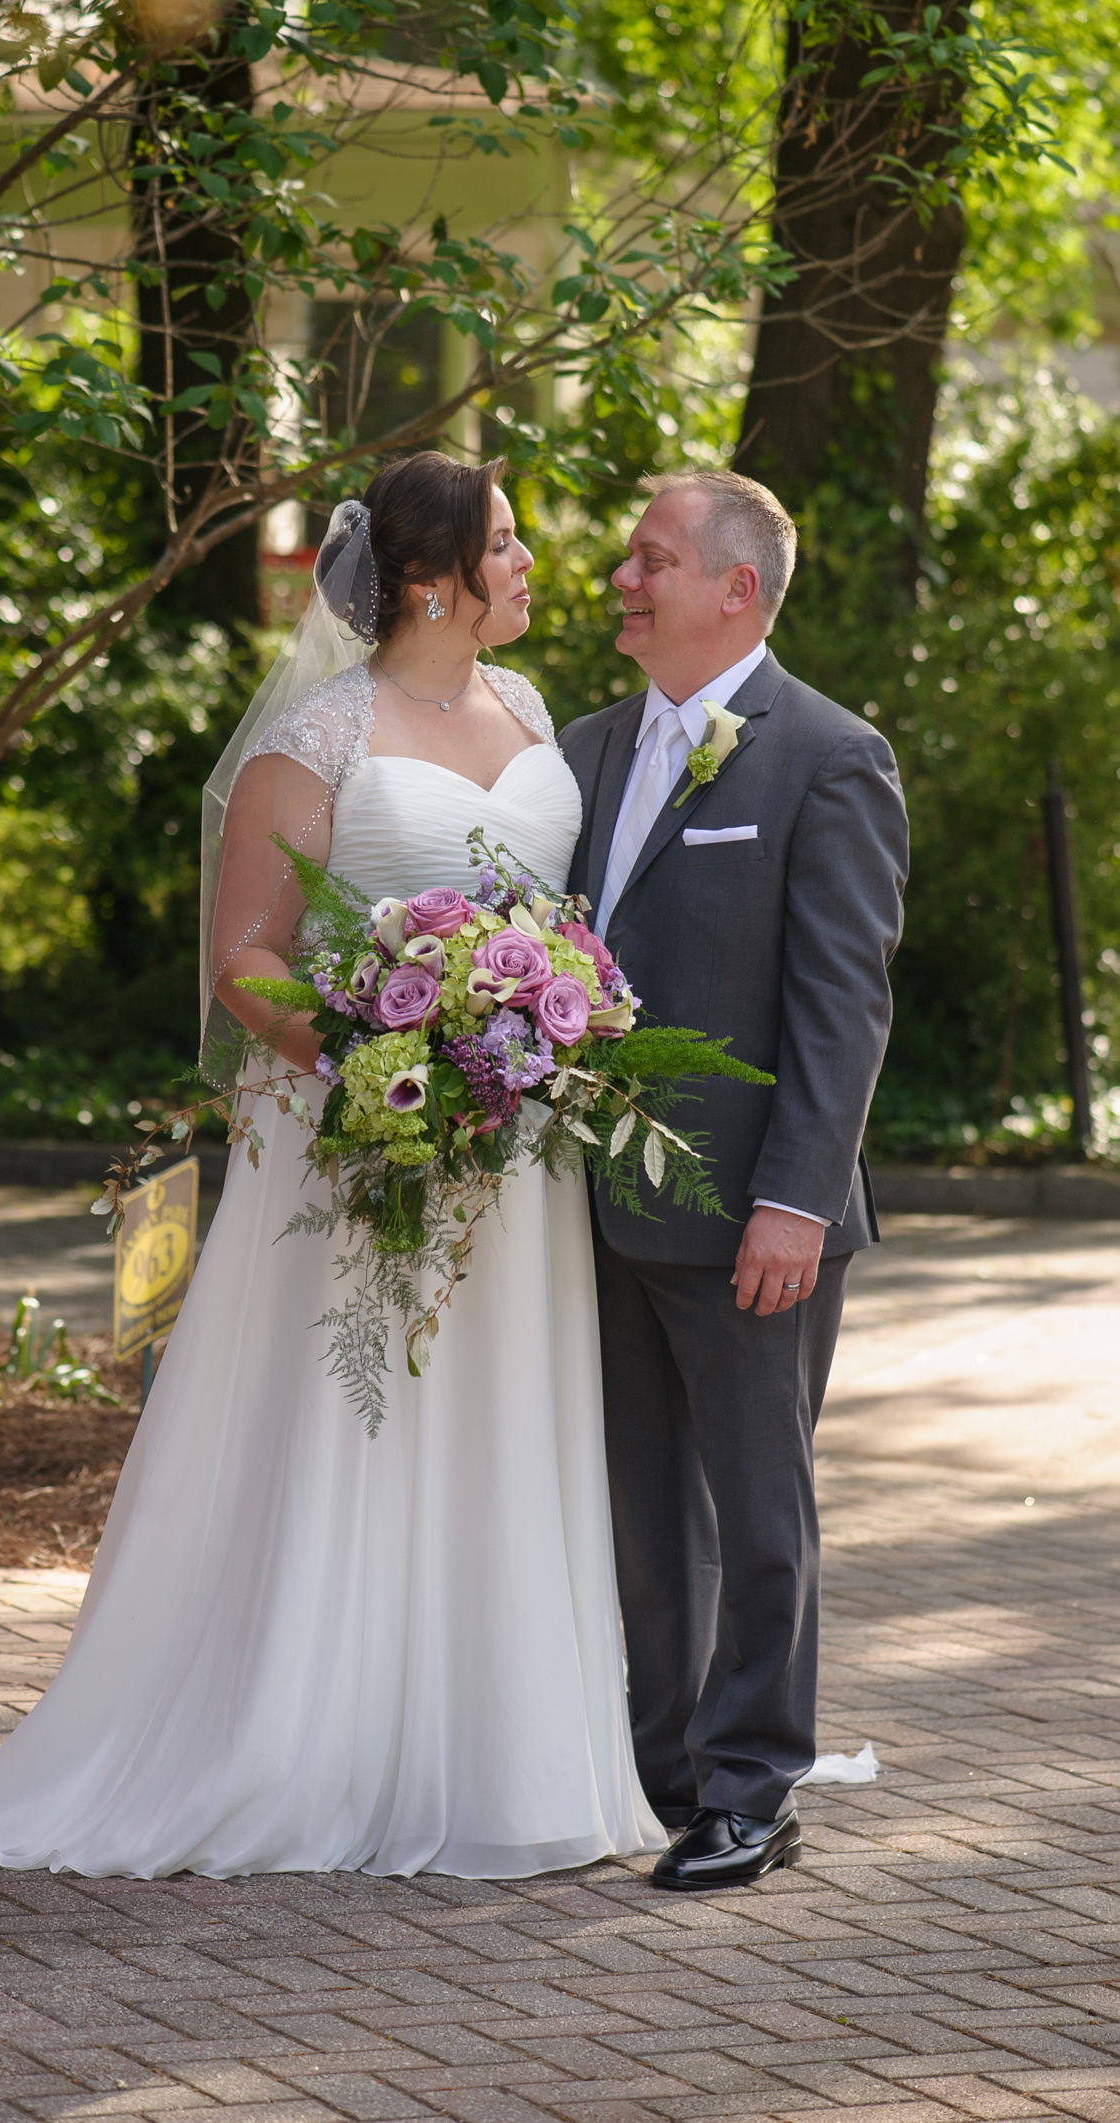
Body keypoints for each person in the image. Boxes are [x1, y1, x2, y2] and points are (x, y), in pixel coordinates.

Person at [0, 452, 660, 1880]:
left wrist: (528, 1033)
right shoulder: (319, 738)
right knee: (356, 1423)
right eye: (506, 544)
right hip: (364, 1141)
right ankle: (307, 1739)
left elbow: (549, 916)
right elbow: (245, 965)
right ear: (428, 578)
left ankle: (501, 1752)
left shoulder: (525, 710)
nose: (531, 565)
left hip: (516, 1159)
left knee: (497, 1422)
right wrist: (377, 1064)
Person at [560, 468, 909, 1891]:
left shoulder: (826, 756)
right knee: (645, 1515)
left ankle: (752, 1790)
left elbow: (842, 1007)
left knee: (756, 1517)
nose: (621, 581)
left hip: (751, 1216)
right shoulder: (579, 752)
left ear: (734, 591)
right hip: (594, 1213)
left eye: (649, 560)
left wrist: (793, 1200)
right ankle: (663, 1777)